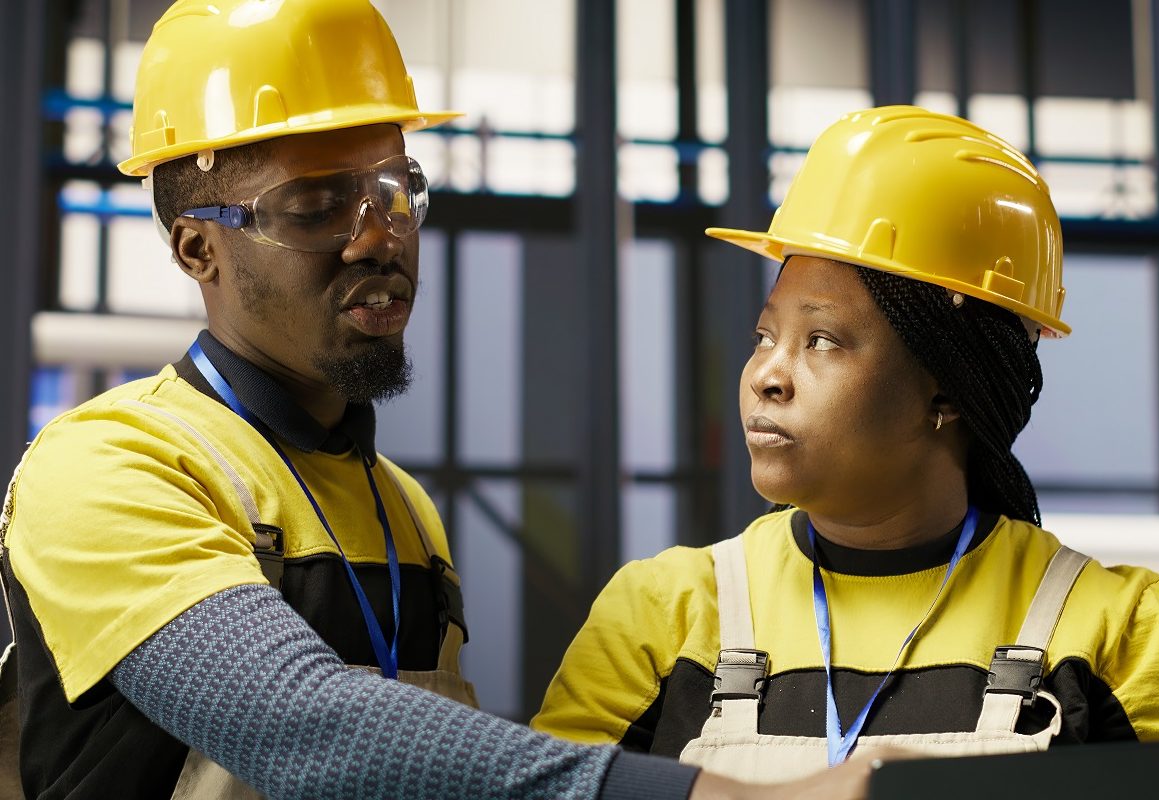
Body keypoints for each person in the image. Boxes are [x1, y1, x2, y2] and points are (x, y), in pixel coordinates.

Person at [0, 1, 884, 798]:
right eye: (314, 208)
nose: (378, 240)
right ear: (199, 250)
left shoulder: (401, 510)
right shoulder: (110, 466)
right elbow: (298, 726)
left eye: (393, 192)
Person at [533, 106, 1159, 782]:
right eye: (765, 337)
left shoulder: (1117, 633)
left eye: (821, 341)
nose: (767, 375)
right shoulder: (663, 617)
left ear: (946, 387)